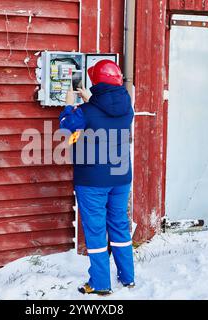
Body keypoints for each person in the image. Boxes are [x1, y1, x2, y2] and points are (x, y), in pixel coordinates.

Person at [59, 60, 135, 295]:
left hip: (92, 181)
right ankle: (127, 277)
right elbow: (106, 114)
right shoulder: (127, 107)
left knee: (95, 230)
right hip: (120, 178)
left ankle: (101, 283)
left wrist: (69, 106)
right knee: (119, 226)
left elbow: (67, 129)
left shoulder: (84, 112)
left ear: (97, 83)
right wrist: (89, 101)